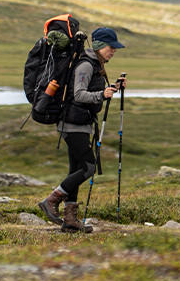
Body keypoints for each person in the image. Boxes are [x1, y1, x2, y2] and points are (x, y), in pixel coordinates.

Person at [38, 26, 126, 233]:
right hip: (72, 123)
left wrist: (112, 87)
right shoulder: (86, 65)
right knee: (89, 167)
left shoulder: (95, 64)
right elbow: (79, 95)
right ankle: (51, 200)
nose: (113, 51)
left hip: (80, 123)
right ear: (99, 45)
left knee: (75, 170)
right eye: (111, 47)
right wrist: (101, 95)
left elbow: (91, 91)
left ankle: (69, 220)